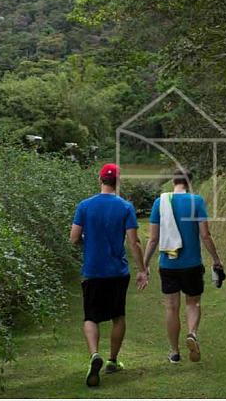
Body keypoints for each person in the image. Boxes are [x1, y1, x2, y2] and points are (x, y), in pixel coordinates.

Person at [69, 163, 149, 387]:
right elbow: (134, 242)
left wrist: (89, 242)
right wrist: (142, 270)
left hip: (93, 270)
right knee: (118, 316)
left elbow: (74, 238)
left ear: (100, 179)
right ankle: (112, 360)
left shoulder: (84, 206)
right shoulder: (125, 207)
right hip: (117, 272)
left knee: (90, 317)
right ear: (118, 182)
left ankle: (95, 354)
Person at [142, 168, 224, 363]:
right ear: (189, 183)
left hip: (168, 264)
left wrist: (143, 265)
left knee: (171, 308)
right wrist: (216, 260)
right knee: (193, 303)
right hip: (192, 264)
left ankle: (174, 352)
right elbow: (205, 235)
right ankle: (192, 333)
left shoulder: (160, 202)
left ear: (173, 181)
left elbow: (153, 239)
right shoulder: (197, 201)